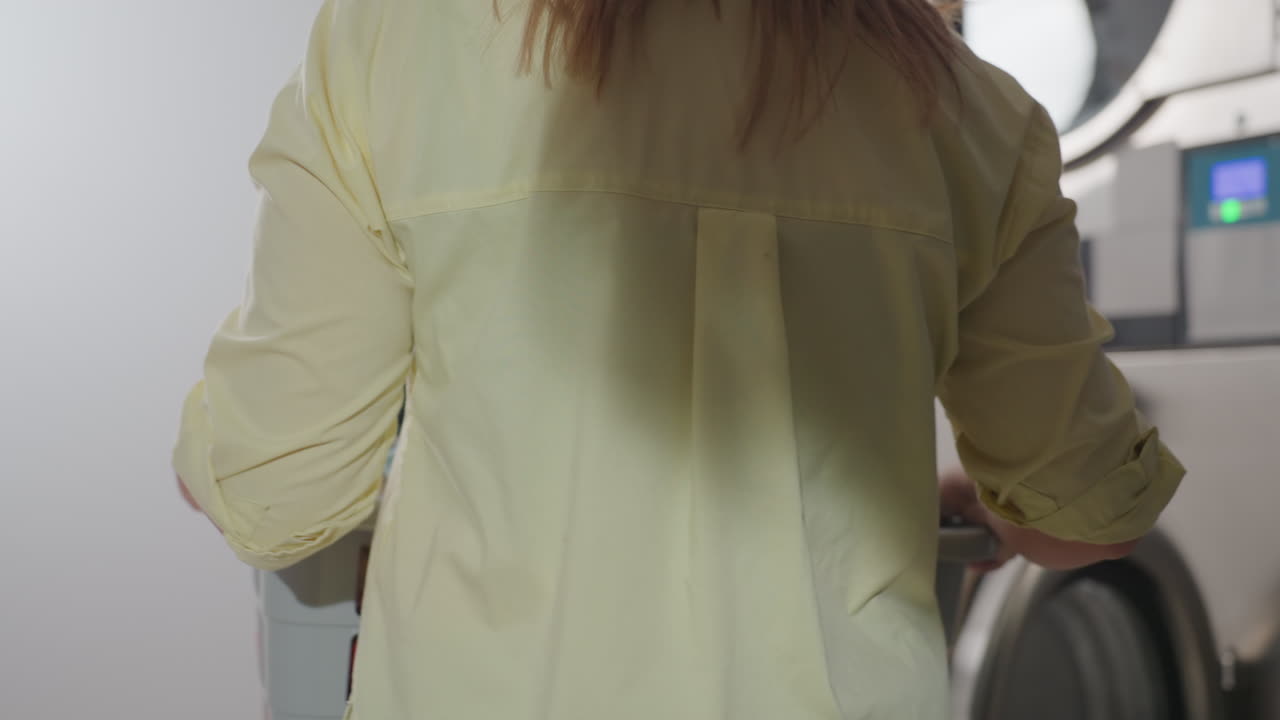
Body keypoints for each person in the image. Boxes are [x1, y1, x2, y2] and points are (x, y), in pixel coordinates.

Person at [173, 1, 1184, 718]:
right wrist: (958, 495)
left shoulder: (387, 42)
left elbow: (281, 495)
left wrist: (214, 453)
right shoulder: (975, 115)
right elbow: (1085, 518)